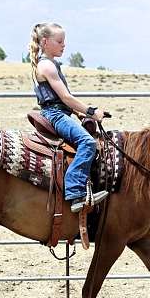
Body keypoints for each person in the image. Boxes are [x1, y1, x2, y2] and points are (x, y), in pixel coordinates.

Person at [29, 22, 109, 213]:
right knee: (88, 143)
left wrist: (79, 112)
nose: (63, 45)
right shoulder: (47, 65)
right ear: (45, 42)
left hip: (59, 112)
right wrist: (91, 112)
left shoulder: (51, 63)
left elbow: (61, 99)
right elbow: (65, 97)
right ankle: (75, 193)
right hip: (56, 116)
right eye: (59, 41)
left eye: (64, 41)